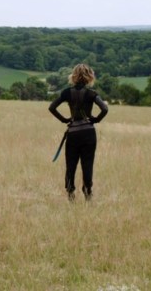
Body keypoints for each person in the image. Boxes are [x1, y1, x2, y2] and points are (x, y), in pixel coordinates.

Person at [48, 64, 109, 202]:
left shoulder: (66, 93)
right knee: (87, 164)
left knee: (71, 164)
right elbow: (104, 108)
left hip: (73, 133)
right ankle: (87, 192)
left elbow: (52, 107)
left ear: (73, 76)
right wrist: (95, 120)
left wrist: (65, 120)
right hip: (88, 133)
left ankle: (70, 193)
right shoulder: (92, 93)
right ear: (89, 76)